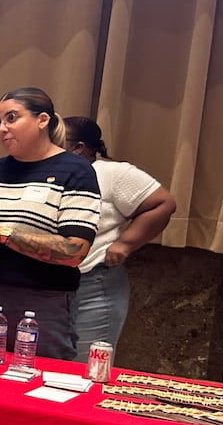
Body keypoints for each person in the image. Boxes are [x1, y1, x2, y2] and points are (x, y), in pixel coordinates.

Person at [0, 87, 101, 360]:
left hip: (39, 301)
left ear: (42, 120)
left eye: (12, 118)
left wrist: (4, 234)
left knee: (35, 381)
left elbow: (74, 250)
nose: (2, 128)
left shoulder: (75, 171)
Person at [64, 116, 175, 360]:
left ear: (78, 147)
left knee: (85, 367)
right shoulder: (48, 172)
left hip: (91, 285)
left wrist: (126, 242)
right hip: (48, 289)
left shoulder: (110, 173)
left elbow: (163, 203)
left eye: (56, 139)